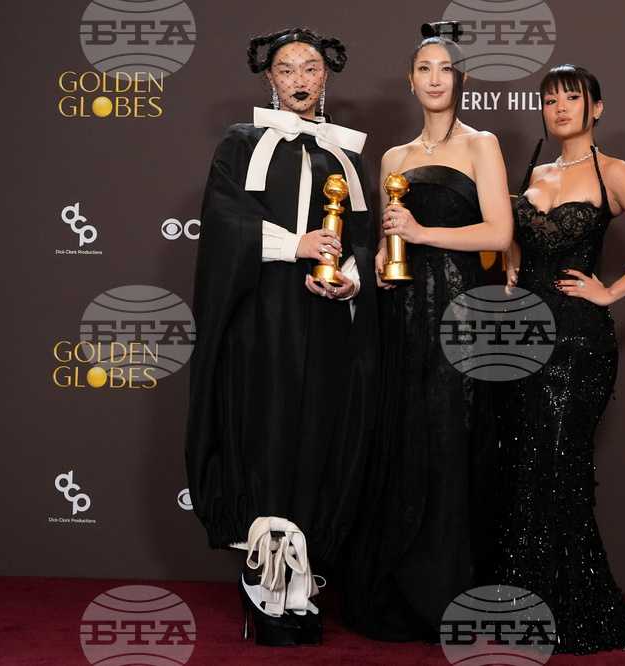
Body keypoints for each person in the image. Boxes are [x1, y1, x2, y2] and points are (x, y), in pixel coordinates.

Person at [184, 27, 379, 647]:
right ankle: (262, 576)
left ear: (327, 77)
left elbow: (364, 238)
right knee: (265, 432)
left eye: (310, 68)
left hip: (326, 320)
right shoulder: (240, 143)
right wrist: (296, 245)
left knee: (316, 433)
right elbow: (224, 225)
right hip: (263, 316)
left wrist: (348, 279)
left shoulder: (346, 153)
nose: (299, 79)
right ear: (269, 78)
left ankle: (300, 575)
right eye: (287, 68)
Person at [497, 64, 625, 654]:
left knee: (560, 467)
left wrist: (610, 292)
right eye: (550, 99)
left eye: (572, 98)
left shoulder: (613, 171)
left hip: (579, 341)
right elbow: (516, 239)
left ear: (595, 108)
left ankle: (575, 612)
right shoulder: (533, 173)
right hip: (522, 339)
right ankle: (524, 608)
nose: (560, 108)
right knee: (526, 469)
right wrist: (511, 261)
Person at [341, 23, 513, 642]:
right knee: (405, 435)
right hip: (403, 314)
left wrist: (421, 233)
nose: (435, 79)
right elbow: (388, 242)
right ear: (410, 81)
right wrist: (382, 265)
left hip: (462, 314)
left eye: (445, 69)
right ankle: (402, 585)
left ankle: (453, 591)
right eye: (424, 69)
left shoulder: (481, 144)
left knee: (452, 439)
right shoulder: (393, 159)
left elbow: (498, 234)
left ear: (460, 79)